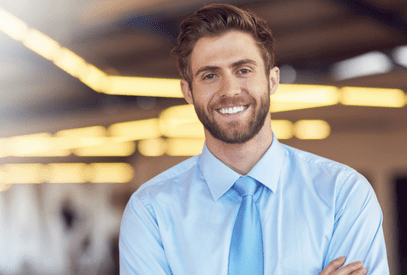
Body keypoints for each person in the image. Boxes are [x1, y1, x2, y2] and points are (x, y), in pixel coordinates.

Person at [119, 3, 389, 275]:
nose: (230, 90)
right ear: (187, 91)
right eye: (210, 75)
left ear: (272, 80)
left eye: (243, 70)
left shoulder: (342, 195)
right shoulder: (151, 211)